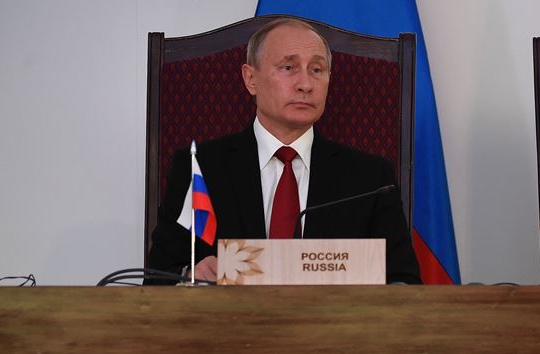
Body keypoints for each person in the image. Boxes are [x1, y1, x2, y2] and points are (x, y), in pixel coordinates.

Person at [146, 17, 421, 284]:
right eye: (288, 68)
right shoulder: (199, 168)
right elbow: (157, 280)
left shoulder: (371, 180)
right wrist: (188, 275)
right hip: (228, 327)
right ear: (250, 79)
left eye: (316, 69)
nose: (305, 84)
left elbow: (404, 285)